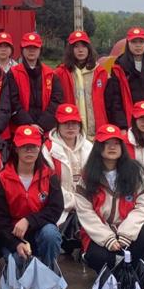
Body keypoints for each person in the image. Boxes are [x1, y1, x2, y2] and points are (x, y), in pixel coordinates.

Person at [75, 124, 144, 281]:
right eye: (106, 143)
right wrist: (108, 238)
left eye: (116, 143)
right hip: (101, 233)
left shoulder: (135, 171)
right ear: (98, 147)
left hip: (129, 230)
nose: (112, 147)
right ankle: (113, 278)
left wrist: (126, 232)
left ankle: (137, 275)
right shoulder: (87, 176)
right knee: (99, 257)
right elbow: (86, 213)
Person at [0, 125, 64, 271]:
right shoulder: (3, 178)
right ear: (16, 149)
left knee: (50, 234)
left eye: (33, 146)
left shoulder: (49, 175)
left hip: (41, 231)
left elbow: (56, 209)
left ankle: (49, 273)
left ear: (39, 148)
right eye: (24, 146)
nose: (29, 150)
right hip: (12, 236)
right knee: (19, 265)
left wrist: (28, 220)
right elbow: (0, 220)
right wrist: (16, 243)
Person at [42, 103, 93, 253]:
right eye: (65, 123)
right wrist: (75, 202)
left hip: (86, 202)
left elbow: (95, 180)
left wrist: (84, 202)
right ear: (58, 125)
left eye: (74, 123)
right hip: (60, 205)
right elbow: (49, 184)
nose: (70, 127)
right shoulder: (48, 149)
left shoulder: (89, 147)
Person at [104, 26, 144, 130]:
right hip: (129, 122)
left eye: (141, 42)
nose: (138, 45)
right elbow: (115, 100)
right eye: (134, 42)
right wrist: (122, 126)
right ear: (128, 43)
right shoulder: (118, 67)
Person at [53, 30, 108, 138]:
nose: (80, 50)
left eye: (84, 46)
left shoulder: (101, 73)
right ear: (70, 50)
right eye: (76, 46)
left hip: (97, 132)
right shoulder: (60, 73)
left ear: (89, 49)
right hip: (71, 133)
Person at [9, 32, 63, 134]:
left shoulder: (51, 74)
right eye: (28, 47)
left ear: (40, 50)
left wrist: (42, 125)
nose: (31, 50)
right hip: (21, 129)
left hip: (45, 129)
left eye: (35, 47)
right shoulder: (13, 73)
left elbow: (56, 101)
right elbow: (13, 102)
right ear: (22, 50)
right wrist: (29, 123)